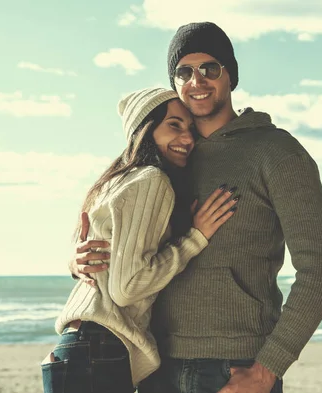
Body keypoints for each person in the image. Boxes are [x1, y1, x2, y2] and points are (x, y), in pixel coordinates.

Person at [70, 22, 322, 393]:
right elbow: (123, 233)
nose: (197, 80)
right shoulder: (169, 155)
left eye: (210, 68)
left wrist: (268, 368)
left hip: (232, 367)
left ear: (231, 75)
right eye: (184, 71)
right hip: (153, 363)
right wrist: (80, 261)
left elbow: (321, 270)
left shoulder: (277, 153)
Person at [42, 87, 239, 393]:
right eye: (174, 125)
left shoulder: (115, 181)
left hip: (77, 347)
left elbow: (105, 262)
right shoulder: (151, 180)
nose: (187, 139)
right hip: (98, 350)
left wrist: (74, 263)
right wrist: (195, 238)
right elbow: (127, 288)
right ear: (145, 130)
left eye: (190, 129)